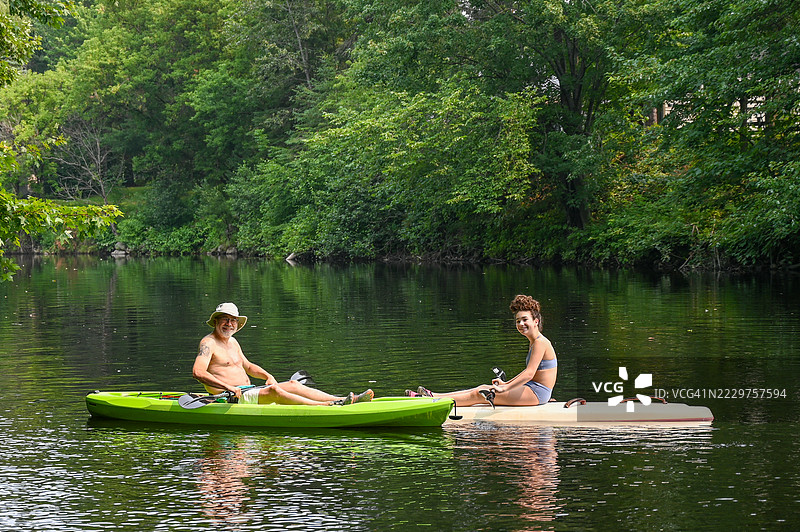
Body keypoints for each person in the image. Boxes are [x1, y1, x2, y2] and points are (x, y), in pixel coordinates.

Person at [192, 302, 373, 406]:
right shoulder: (208, 343)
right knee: (274, 390)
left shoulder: (232, 341)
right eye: (225, 319)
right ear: (216, 321)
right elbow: (198, 373)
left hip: (249, 390)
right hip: (230, 398)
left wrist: (268, 375)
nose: (229, 324)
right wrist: (229, 387)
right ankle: (326, 407)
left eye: (233, 321)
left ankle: (345, 399)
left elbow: (247, 366)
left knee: (293, 383)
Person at [407, 294, 557, 407]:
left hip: (538, 394)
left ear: (536, 321)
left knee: (480, 394)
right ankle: (433, 395)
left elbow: (529, 374)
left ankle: (434, 402)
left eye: (525, 320)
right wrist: (505, 384)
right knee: (483, 388)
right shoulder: (534, 341)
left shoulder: (540, 343)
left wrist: (505, 389)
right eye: (518, 321)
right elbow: (529, 374)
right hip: (532, 389)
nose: (521, 324)